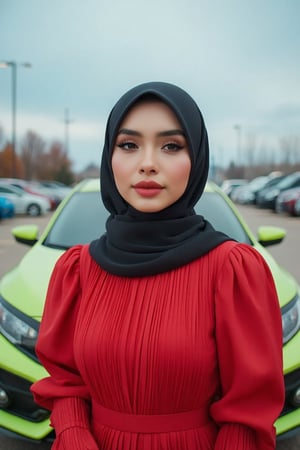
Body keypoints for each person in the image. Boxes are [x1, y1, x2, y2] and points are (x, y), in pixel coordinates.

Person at [31, 81, 284, 450]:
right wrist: (73, 436)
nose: (147, 164)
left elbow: (249, 409)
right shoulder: (77, 270)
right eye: (129, 145)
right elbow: (65, 382)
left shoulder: (232, 270)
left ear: (196, 158)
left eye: (171, 146)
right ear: (109, 157)